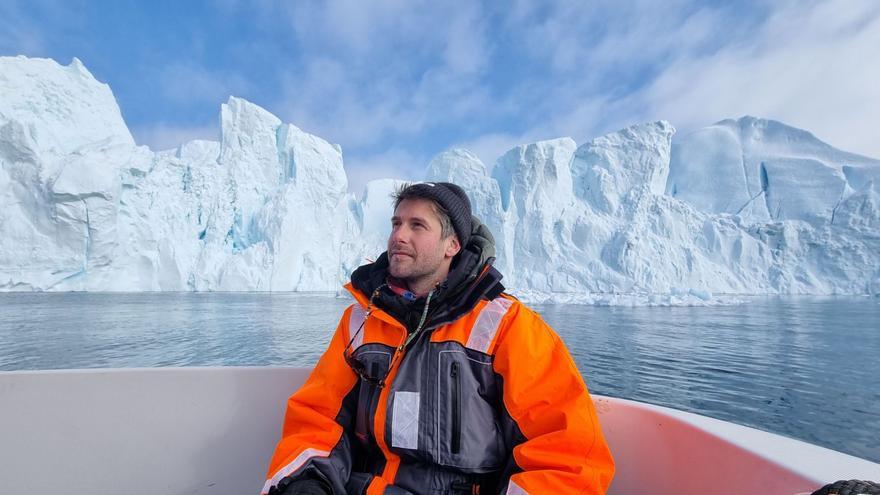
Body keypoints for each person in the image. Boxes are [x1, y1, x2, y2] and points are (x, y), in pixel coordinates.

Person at [262, 182, 615, 495]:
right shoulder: (361, 319)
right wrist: (307, 482)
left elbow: (565, 453)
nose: (399, 235)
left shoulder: (507, 325)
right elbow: (318, 417)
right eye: (397, 223)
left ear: (452, 245)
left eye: (418, 226)